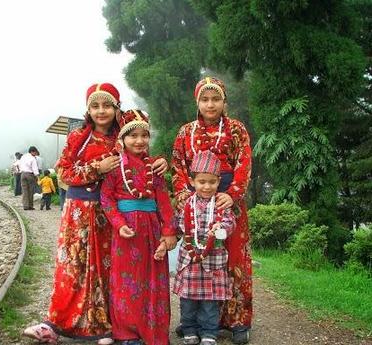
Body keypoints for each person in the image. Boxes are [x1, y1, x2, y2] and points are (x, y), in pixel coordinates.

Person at [23, 83, 168, 345]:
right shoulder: (78, 138)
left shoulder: (123, 136)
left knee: (108, 269)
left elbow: (141, 155)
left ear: (116, 108)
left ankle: (106, 326)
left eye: (107, 105)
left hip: (111, 214)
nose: (101, 111)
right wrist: (95, 168)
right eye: (95, 106)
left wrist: (160, 161)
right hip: (78, 212)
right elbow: (63, 173)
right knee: (73, 267)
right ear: (88, 110)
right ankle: (57, 323)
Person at [171, 77, 252, 344]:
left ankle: (237, 321)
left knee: (234, 261)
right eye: (205, 99)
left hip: (228, 203)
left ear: (224, 101)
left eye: (215, 98)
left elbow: (244, 163)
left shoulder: (237, 129)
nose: (210, 104)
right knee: (199, 259)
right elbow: (178, 167)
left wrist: (232, 195)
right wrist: (185, 195)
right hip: (196, 204)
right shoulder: (185, 132)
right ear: (197, 102)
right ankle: (193, 321)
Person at [100, 109, 177, 345]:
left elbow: (163, 200)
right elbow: (106, 198)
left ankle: (154, 331)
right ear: (122, 139)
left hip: (153, 231)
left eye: (144, 135)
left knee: (154, 280)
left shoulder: (155, 167)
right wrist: (118, 223)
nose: (139, 140)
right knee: (126, 281)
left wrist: (169, 232)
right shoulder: (115, 167)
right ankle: (127, 333)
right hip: (126, 233)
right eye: (133, 135)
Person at [173, 150, 236, 345]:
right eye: (202, 182)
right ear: (192, 182)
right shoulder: (186, 204)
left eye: (212, 182)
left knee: (210, 302)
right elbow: (177, 224)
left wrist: (220, 229)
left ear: (218, 182)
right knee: (188, 300)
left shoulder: (222, 205)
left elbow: (230, 223)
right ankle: (189, 329)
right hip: (190, 260)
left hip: (213, 262)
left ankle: (209, 333)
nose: (207, 187)